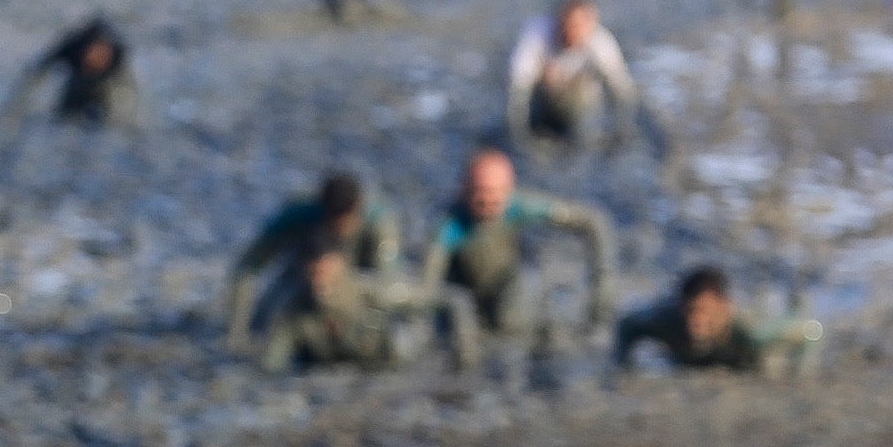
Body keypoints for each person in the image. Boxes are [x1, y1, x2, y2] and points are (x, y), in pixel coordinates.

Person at [418, 145, 612, 367]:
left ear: (509, 190)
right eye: (479, 191)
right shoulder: (450, 225)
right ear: (464, 189)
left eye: (495, 193)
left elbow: (590, 221)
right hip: (465, 299)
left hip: (509, 293)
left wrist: (602, 289)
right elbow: (429, 283)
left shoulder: (519, 208)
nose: (486, 200)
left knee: (523, 295)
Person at [226, 171, 402, 351]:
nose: (341, 230)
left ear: (358, 209)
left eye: (346, 224)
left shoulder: (379, 222)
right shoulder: (299, 214)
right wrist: (237, 332)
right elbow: (247, 267)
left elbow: (389, 279)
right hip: (300, 285)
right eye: (334, 224)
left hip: (357, 289)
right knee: (267, 319)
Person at [613, 265, 818, 373]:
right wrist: (623, 366)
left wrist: (801, 372)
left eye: (706, 312)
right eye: (691, 311)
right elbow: (626, 325)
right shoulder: (668, 320)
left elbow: (812, 331)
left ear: (725, 308)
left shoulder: (749, 331)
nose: (697, 321)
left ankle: (797, 294)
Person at [508, 0, 639, 146]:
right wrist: (519, 133)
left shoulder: (602, 45)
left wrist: (621, 131)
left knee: (583, 138)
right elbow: (518, 87)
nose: (573, 32)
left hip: (583, 106)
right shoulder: (537, 35)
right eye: (569, 25)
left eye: (579, 26)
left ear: (591, 24)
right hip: (542, 100)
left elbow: (621, 90)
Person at [255, 237, 393, 371]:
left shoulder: (370, 300)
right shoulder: (295, 313)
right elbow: (272, 362)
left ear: (342, 263)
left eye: (327, 265)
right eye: (314, 269)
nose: (321, 273)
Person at [16, 16, 140, 126]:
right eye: (92, 61)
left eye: (100, 61)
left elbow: (129, 88)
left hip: (104, 84)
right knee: (65, 115)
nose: (95, 64)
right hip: (77, 80)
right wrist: (21, 105)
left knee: (103, 114)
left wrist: (129, 114)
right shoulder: (71, 47)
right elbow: (39, 69)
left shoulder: (118, 53)